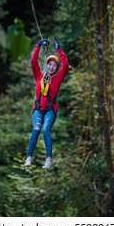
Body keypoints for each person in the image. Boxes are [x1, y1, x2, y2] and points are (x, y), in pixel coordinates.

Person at [23, 38, 69, 169]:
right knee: (36, 129)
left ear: (56, 68)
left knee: (45, 129)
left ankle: (48, 160)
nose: (51, 67)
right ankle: (29, 157)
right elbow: (33, 62)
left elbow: (65, 65)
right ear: (46, 65)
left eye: (54, 65)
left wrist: (60, 50)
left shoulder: (58, 79)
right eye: (50, 64)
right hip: (38, 108)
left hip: (50, 109)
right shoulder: (39, 75)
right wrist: (38, 46)